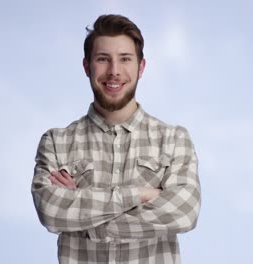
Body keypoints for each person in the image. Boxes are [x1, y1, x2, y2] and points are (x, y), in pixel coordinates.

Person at [31, 14, 201, 264]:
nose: (114, 72)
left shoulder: (174, 139)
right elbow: (51, 211)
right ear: (87, 66)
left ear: (140, 67)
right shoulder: (57, 142)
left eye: (125, 59)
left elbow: (184, 213)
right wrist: (141, 194)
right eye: (103, 59)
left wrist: (88, 223)